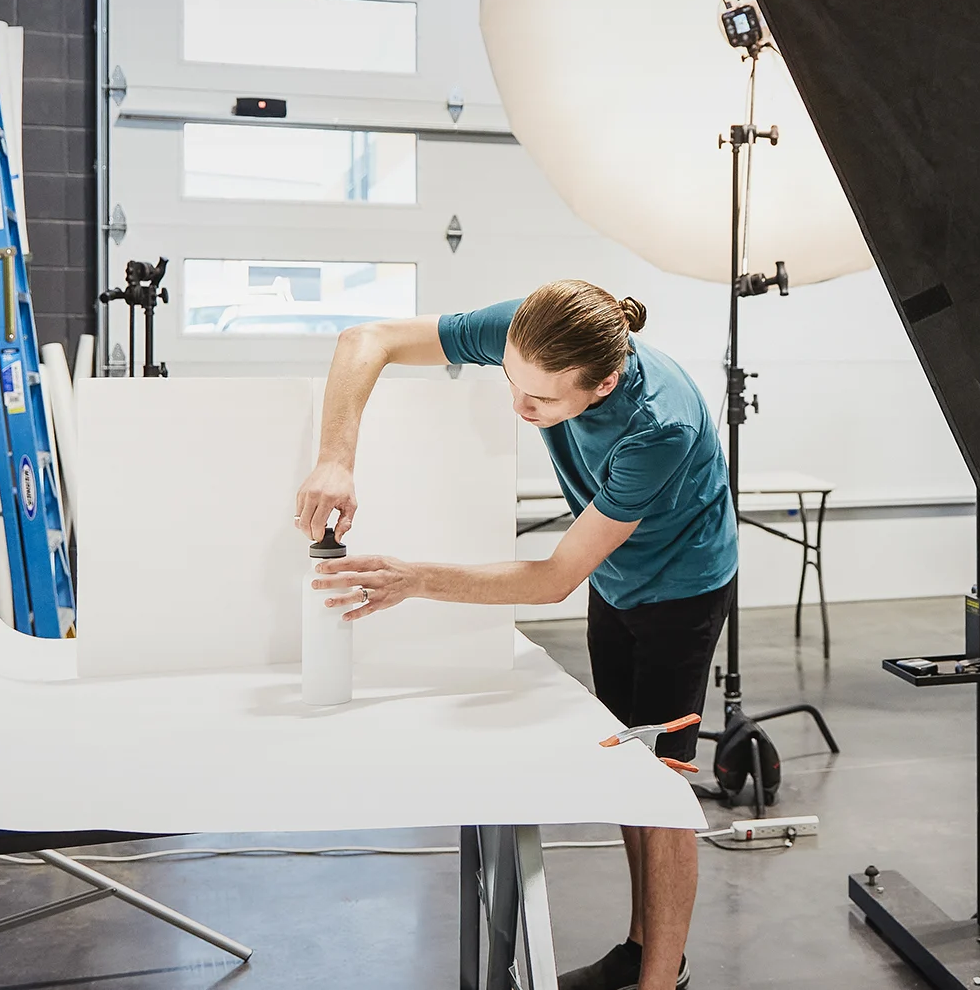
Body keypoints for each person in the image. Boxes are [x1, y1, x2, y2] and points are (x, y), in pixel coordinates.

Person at [294, 279, 733, 990]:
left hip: (681, 586)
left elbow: (555, 574)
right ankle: (639, 947)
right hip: (617, 577)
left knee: (661, 785)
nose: (520, 408)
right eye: (513, 382)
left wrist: (413, 579)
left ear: (605, 382)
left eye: (543, 400)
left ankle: (662, 980)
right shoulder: (530, 328)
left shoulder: (660, 426)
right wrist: (336, 455)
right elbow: (364, 340)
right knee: (629, 762)